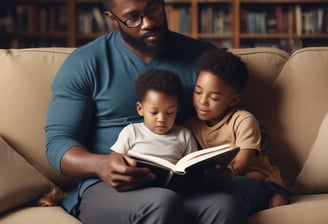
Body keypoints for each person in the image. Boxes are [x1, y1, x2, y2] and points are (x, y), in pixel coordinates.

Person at [45, 0, 247, 223]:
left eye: (153, 9)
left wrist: (219, 170)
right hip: (109, 186)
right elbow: (58, 143)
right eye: (133, 18)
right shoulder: (85, 63)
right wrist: (101, 165)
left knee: (225, 205)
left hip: (183, 183)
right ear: (112, 18)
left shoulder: (203, 58)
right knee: (160, 203)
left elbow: (228, 122)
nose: (149, 22)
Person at [186, 48, 289, 214]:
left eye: (214, 97)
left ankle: (278, 194)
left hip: (260, 180)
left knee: (243, 182)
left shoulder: (243, 120)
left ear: (233, 100)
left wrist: (222, 176)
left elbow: (243, 165)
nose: (202, 101)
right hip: (217, 181)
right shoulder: (191, 124)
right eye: (198, 92)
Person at [111, 68, 198, 165]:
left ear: (177, 109)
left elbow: (192, 166)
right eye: (154, 112)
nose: (161, 119)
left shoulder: (185, 136)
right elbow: (114, 161)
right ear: (140, 109)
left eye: (169, 113)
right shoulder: (132, 132)